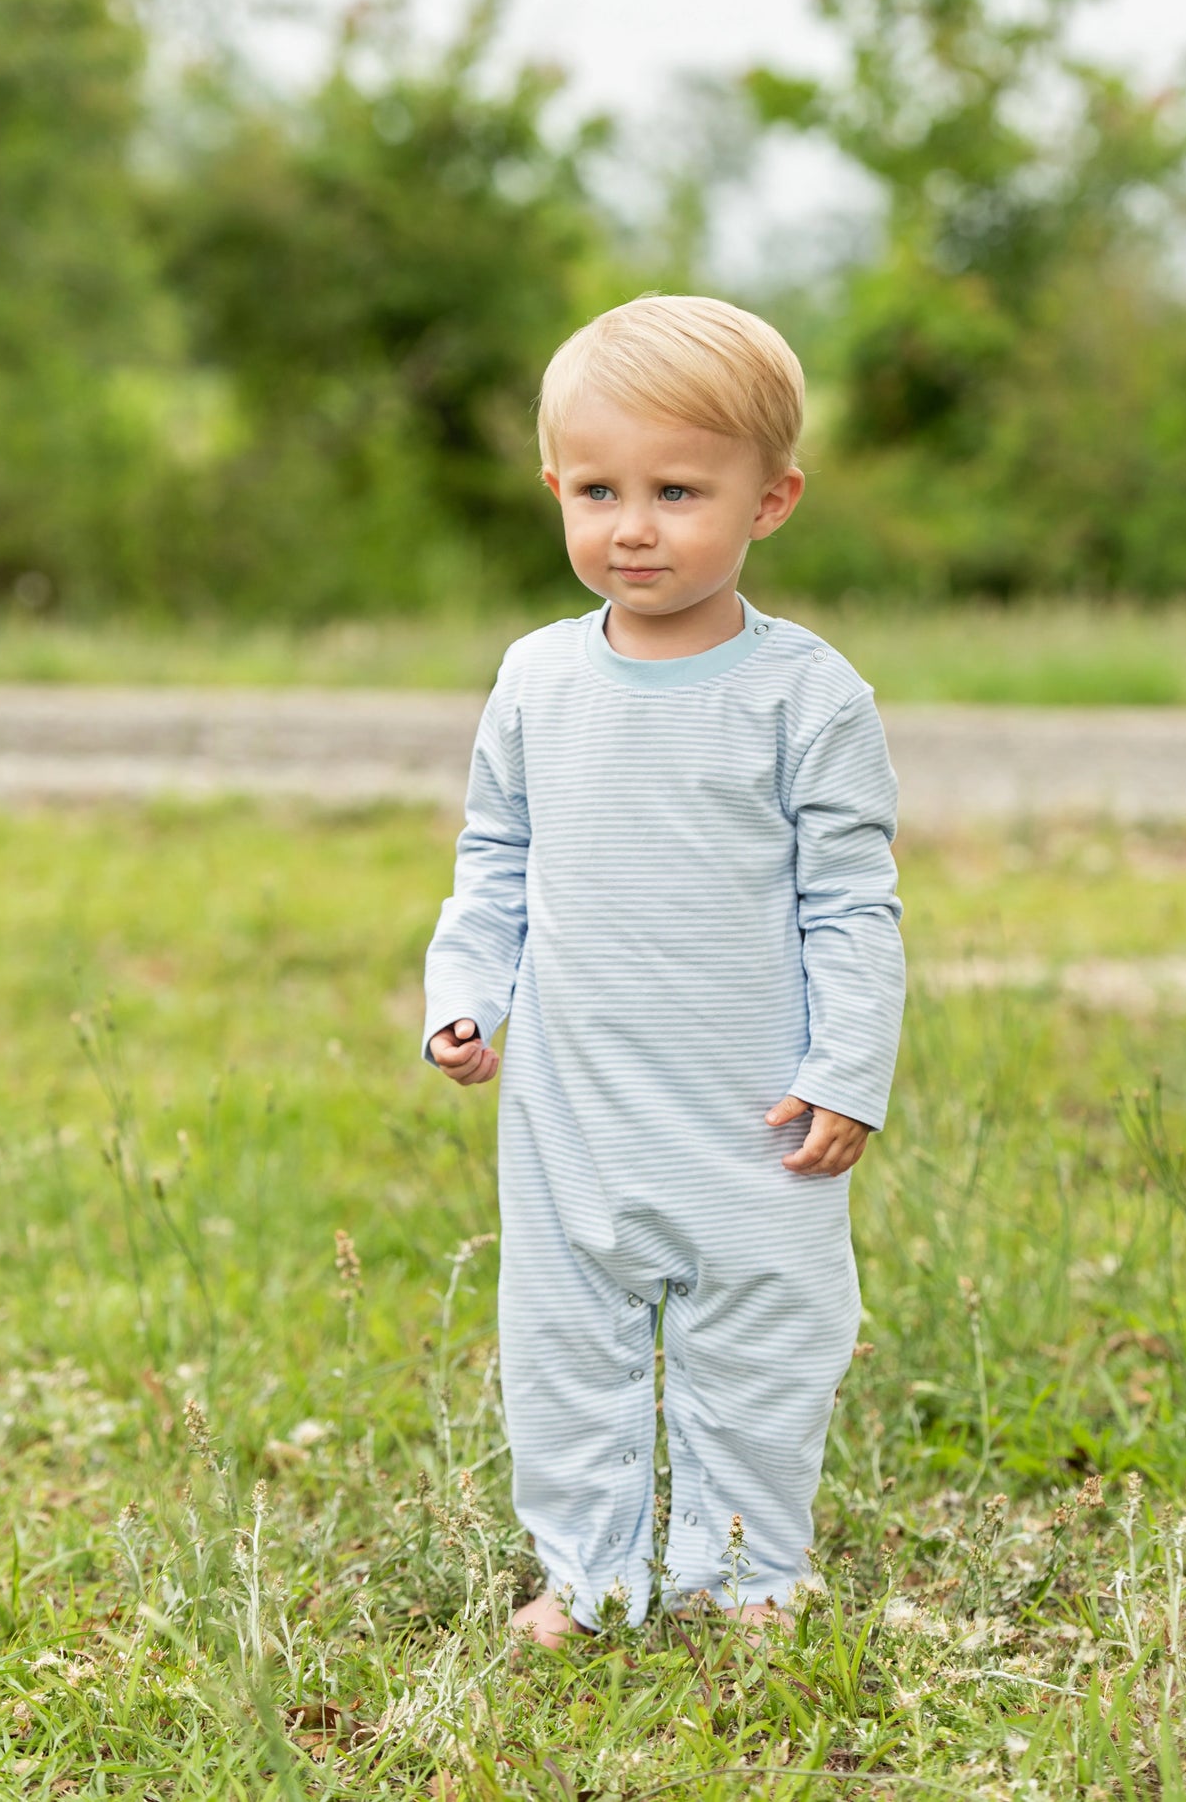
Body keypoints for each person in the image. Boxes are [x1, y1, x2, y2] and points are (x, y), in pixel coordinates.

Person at [422, 294, 906, 1648]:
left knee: (760, 1341)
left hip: (752, 1105)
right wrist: (465, 996)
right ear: (554, 488)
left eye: (677, 490)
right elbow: (495, 856)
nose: (631, 525)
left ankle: (745, 1571)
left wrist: (844, 1069)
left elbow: (852, 903)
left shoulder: (806, 696)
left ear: (770, 500)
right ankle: (590, 1572)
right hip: (572, 1104)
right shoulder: (533, 679)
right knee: (565, 1345)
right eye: (597, 489)